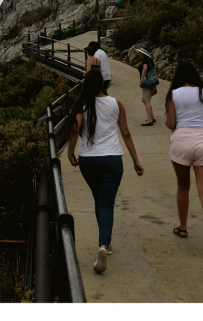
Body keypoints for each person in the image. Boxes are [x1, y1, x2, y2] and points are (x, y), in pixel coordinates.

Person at [67, 69, 144, 274]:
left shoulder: (82, 105)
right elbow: (126, 134)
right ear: (102, 83)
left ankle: (105, 243)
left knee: (98, 199)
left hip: (88, 161)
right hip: (112, 160)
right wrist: (136, 161)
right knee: (106, 203)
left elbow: (74, 129)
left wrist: (70, 152)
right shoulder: (116, 104)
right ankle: (104, 244)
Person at [164, 60, 203, 255]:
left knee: (183, 186)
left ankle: (183, 227)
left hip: (181, 142)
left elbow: (170, 123)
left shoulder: (173, 94)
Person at [135, 47, 157, 126]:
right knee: (145, 100)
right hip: (152, 83)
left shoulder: (145, 60)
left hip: (146, 83)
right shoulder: (150, 60)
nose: (139, 54)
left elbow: (145, 69)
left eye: (140, 53)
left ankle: (149, 119)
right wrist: (155, 87)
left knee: (146, 101)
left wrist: (141, 80)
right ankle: (152, 117)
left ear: (143, 54)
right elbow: (153, 72)